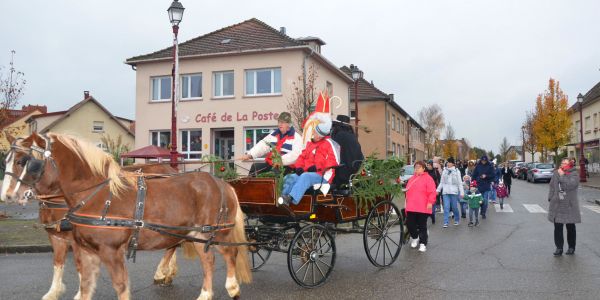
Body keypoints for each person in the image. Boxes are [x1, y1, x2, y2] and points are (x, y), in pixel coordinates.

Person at [277, 118, 340, 206]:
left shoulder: (330, 144)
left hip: (323, 176)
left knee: (305, 176)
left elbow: (334, 161)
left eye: (315, 132)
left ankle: (291, 198)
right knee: (289, 177)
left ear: (320, 135)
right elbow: (301, 157)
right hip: (308, 173)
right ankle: (281, 198)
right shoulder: (310, 144)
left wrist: (317, 167)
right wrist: (298, 167)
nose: (313, 133)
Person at [548, 158, 581, 256]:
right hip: (557, 204)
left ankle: (571, 247)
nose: (563, 164)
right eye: (562, 162)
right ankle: (559, 248)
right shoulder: (556, 173)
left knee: (570, 227)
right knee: (557, 227)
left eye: (565, 163)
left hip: (569, 205)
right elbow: (552, 186)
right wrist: (551, 197)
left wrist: (562, 176)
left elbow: (570, 185)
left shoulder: (574, 174)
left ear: (570, 164)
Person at [405, 161, 437, 252]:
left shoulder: (428, 178)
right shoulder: (411, 178)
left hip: (423, 206)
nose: (417, 169)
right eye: (415, 167)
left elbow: (432, 191)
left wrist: (430, 202)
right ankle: (415, 237)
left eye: (419, 167)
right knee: (410, 224)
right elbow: (407, 190)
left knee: (422, 225)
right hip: (411, 205)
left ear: (423, 168)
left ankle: (423, 243)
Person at [330, 115, 364, 186]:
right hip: (355, 171)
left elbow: (333, 155)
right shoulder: (352, 136)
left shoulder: (338, 136)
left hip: (342, 173)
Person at [436, 157, 464, 227]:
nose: (448, 163)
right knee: (446, 207)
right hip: (445, 192)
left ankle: (457, 220)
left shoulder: (457, 171)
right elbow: (441, 182)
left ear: (453, 163)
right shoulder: (444, 171)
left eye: (449, 162)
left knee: (454, 207)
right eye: (447, 162)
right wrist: (438, 190)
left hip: (454, 192)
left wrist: (462, 192)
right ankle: (446, 222)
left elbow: (460, 183)